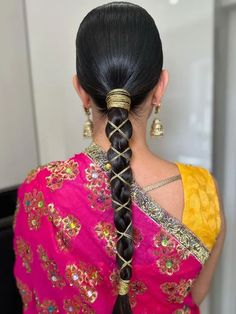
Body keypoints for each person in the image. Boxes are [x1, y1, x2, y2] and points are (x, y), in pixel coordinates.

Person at [13, 2, 226, 313]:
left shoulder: (40, 191)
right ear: (161, 87)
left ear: (81, 91)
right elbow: (194, 297)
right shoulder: (204, 193)